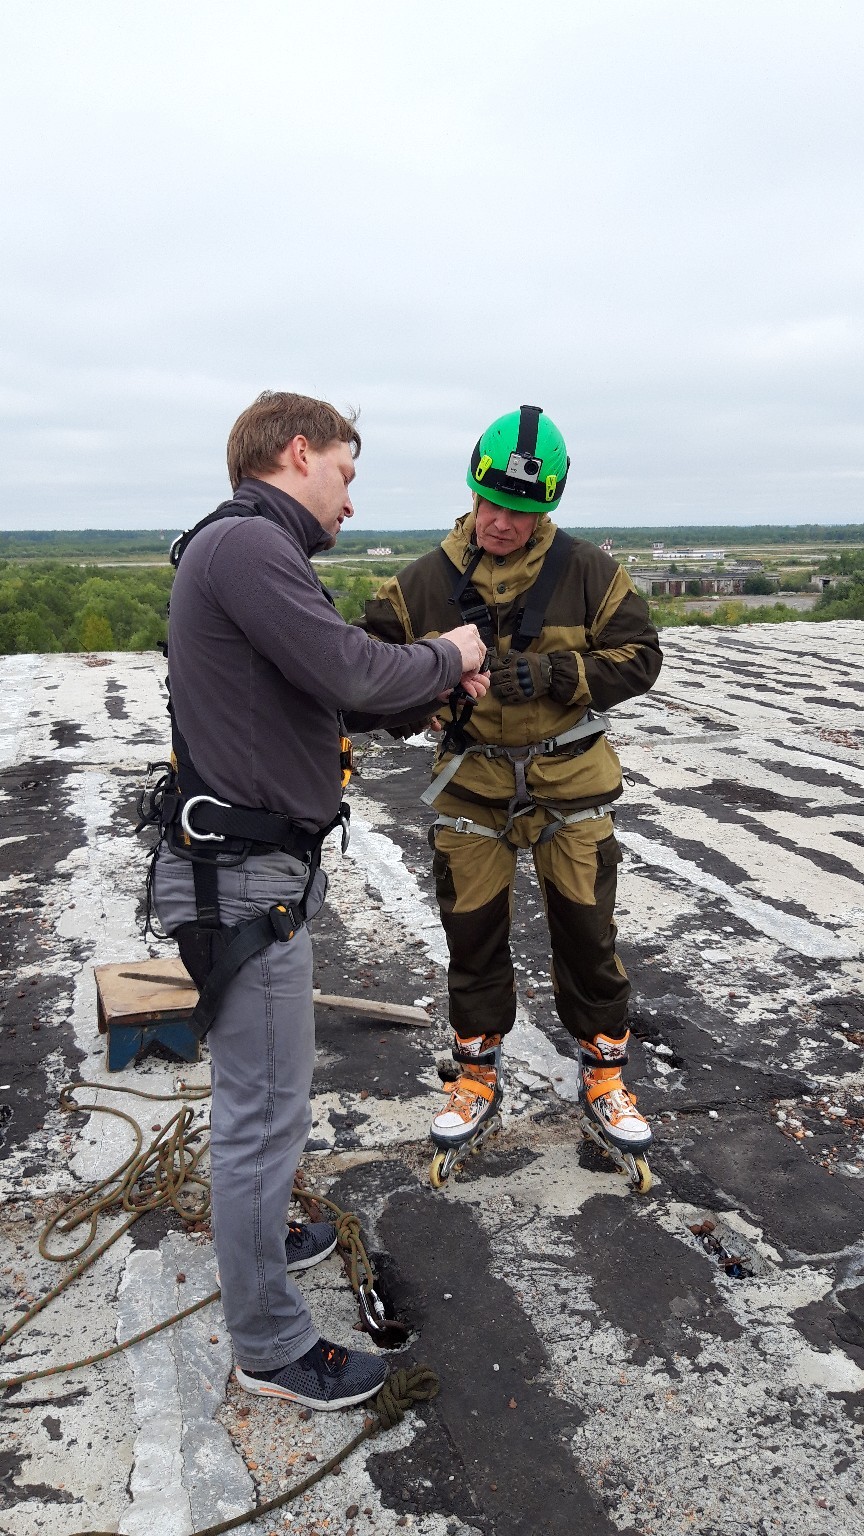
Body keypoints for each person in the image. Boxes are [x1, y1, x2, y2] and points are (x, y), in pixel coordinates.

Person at [148, 391, 488, 1410]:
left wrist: (416, 698)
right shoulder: (250, 546)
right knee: (265, 1118)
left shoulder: (250, 553)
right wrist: (455, 655)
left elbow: (320, 692)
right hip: (244, 877)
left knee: (263, 1107)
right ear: (298, 452)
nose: (349, 499)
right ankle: (272, 1347)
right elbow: (345, 664)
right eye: (345, 471)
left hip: (253, 872)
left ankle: (262, 1240)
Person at [358, 405, 663, 1184]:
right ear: (472, 490)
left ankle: (603, 1073)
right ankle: (475, 1072)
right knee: (473, 937)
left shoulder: (592, 573)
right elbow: (363, 671)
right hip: (474, 788)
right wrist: (423, 694)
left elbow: (641, 657)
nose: (500, 522)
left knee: (588, 934)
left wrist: (562, 674)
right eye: (490, 503)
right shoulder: (419, 584)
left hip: (572, 786)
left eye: (522, 512)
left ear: (548, 506)